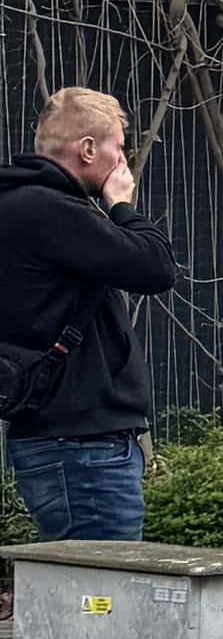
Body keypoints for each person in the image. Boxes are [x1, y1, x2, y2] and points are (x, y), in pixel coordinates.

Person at [0, 85, 180, 545]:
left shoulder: (21, 206)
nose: (123, 162)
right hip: (81, 447)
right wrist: (121, 204)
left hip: (61, 440)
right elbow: (155, 268)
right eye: (118, 147)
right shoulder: (47, 210)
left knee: (87, 596)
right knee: (104, 598)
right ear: (87, 149)